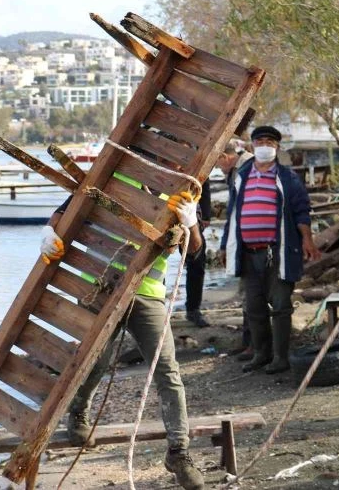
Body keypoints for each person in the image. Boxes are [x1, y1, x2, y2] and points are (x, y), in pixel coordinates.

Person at [40, 177, 206, 490]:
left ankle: (179, 451)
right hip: (101, 286)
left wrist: (191, 222)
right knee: (96, 360)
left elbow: (195, 252)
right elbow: (65, 211)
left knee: (168, 370)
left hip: (147, 294)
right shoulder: (118, 178)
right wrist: (48, 231)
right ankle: (78, 413)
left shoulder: (183, 193)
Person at [220, 126, 320, 374]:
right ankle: (261, 353)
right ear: (252, 146)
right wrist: (225, 245)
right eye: (260, 141)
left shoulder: (287, 177)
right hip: (248, 252)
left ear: (277, 147)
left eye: (270, 142)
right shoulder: (241, 175)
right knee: (253, 305)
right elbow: (232, 212)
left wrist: (307, 239)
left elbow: (301, 210)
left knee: (281, 304)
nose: (265, 145)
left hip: (278, 251)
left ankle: (280, 357)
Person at [215, 139, 253, 358]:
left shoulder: (246, 169)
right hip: (243, 240)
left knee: (251, 294)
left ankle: (254, 344)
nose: (218, 168)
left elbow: (235, 213)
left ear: (225, 157)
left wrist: (225, 245)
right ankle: (249, 341)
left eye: (218, 164)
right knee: (247, 292)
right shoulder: (239, 169)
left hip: (251, 241)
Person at [183, 179, 210, 327]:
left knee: (197, 262)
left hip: (190, 209)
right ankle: (157, 309)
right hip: (158, 203)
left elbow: (204, 181)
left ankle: (193, 309)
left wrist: (206, 214)